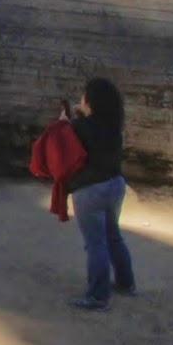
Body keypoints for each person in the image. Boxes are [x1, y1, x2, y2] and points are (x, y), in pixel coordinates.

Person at [63, 77, 137, 311]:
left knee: (95, 244)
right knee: (113, 236)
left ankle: (97, 296)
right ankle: (126, 284)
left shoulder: (80, 127)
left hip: (90, 189)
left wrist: (65, 121)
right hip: (115, 185)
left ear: (91, 101)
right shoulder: (113, 126)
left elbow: (64, 140)